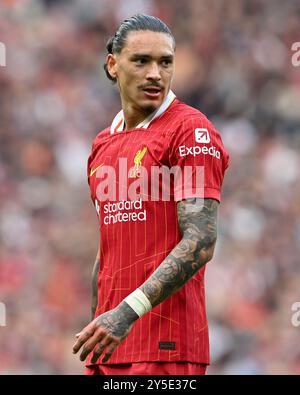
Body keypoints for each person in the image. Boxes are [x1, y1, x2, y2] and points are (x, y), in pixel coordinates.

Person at [73, 14, 229, 375]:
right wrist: (99, 324)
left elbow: (202, 240)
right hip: (110, 347)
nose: (155, 73)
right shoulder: (102, 145)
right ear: (113, 65)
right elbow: (108, 251)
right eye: (142, 61)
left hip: (165, 348)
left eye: (165, 62)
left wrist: (126, 312)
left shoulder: (189, 129)